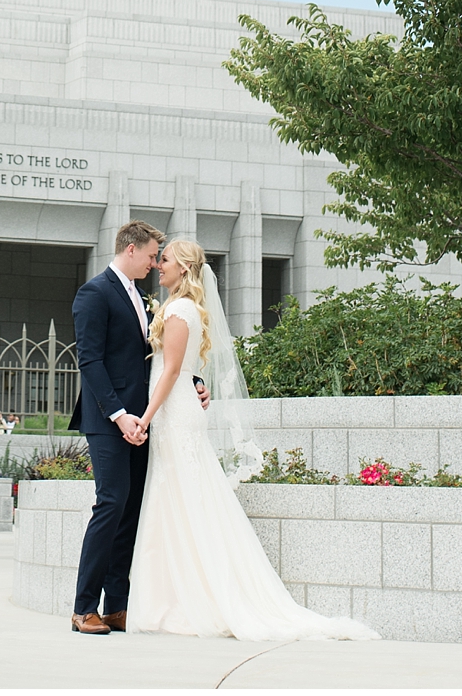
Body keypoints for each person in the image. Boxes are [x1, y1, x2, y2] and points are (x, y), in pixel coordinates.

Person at [125, 239, 378, 642]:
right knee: (179, 495)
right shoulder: (183, 308)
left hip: (174, 412)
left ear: (184, 268)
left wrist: (145, 418)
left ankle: (188, 598)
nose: (159, 266)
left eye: (166, 260)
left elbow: (171, 371)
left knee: (181, 496)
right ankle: (173, 595)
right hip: (178, 410)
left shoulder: (178, 309)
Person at [68, 219, 166, 635]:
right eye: (151, 255)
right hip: (110, 420)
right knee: (110, 503)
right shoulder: (94, 293)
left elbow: (155, 357)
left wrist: (193, 384)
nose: (155, 263)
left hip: (142, 421)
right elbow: (89, 361)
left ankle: (116, 607)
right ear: (130, 249)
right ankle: (83, 608)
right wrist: (118, 414)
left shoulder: (143, 298)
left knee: (129, 512)